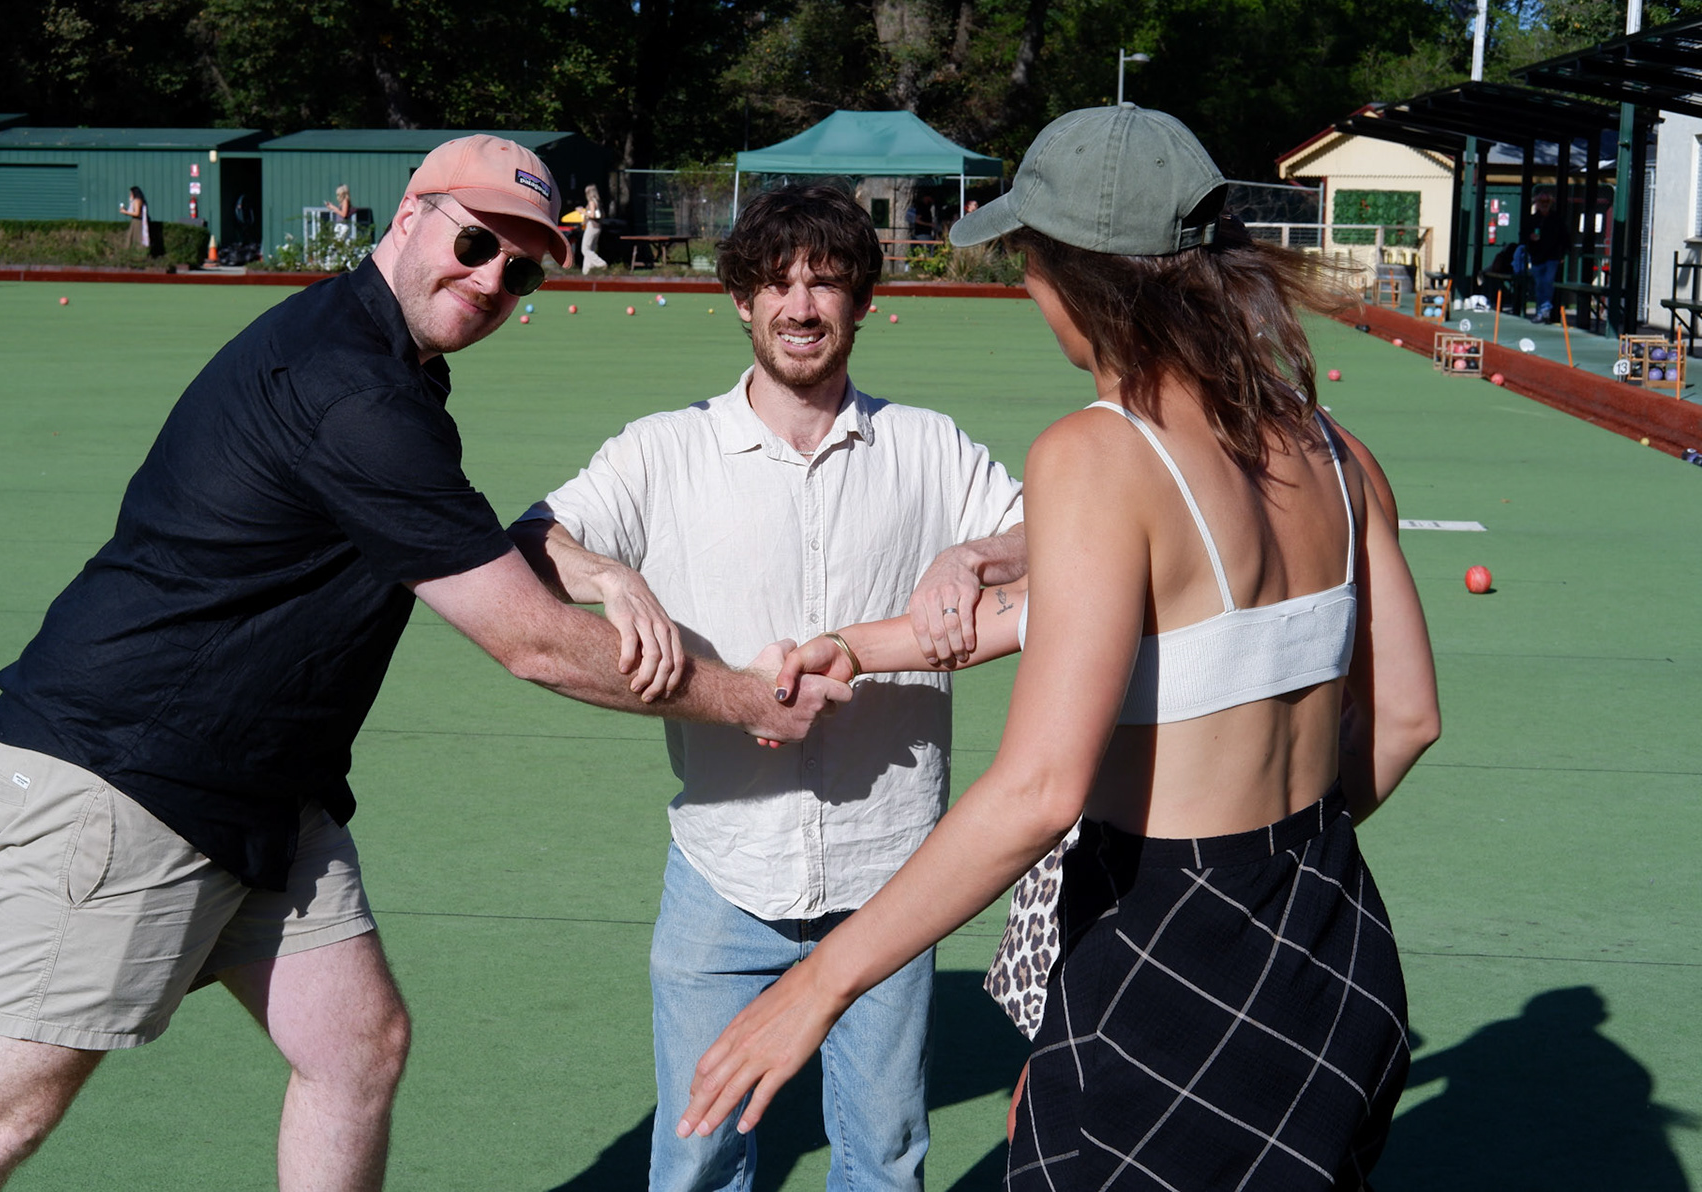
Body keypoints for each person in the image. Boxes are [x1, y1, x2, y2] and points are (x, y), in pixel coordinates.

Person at [0, 135, 846, 1192]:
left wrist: (593, 562)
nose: (492, 279)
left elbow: (457, 542)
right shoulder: (354, 391)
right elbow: (528, 640)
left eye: (520, 270)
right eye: (475, 243)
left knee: (356, 1047)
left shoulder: (386, 366)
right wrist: (749, 697)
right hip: (127, 775)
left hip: (255, 785)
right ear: (408, 215)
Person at [677, 107, 1443, 1190]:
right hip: (1337, 947)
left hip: (1168, 963)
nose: (1029, 286)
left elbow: (1039, 791)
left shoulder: (1097, 453)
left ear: (1078, 274)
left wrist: (816, 986)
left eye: (1030, 258)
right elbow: (1407, 718)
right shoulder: (1336, 448)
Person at [511, 184, 1028, 1192]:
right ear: (741, 300)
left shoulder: (928, 447)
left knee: (884, 1157)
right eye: (777, 283)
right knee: (697, 1157)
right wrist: (612, 574)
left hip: (892, 875)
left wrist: (974, 553)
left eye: (826, 282)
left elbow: (1060, 536)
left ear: (863, 301)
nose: (801, 306)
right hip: (724, 870)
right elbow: (531, 541)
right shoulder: (664, 450)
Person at [1522, 190, 1568, 323]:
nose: (1544, 204)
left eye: (1547, 201)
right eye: (1541, 201)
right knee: (1539, 285)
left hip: (1552, 257)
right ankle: (1541, 311)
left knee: (1547, 282)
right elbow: (1523, 235)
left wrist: (1563, 253)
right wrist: (1530, 238)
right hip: (1537, 257)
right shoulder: (1532, 220)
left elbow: (1564, 237)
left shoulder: (1556, 219)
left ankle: (1545, 308)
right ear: (1536, 203)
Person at [579, 182, 608, 274]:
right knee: (590, 249)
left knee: (585, 249)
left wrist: (582, 212)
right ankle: (586, 272)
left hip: (592, 226)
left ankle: (601, 263)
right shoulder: (598, 202)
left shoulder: (591, 202)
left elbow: (592, 215)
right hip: (598, 227)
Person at [119, 185, 150, 253]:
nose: (130, 194)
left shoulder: (137, 201)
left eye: (131, 193)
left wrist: (125, 212)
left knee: (136, 237)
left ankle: (138, 252)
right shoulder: (138, 200)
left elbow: (137, 213)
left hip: (137, 221)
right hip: (137, 221)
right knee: (133, 236)